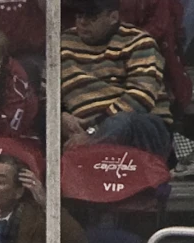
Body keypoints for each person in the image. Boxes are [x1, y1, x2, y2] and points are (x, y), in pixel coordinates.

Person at [59, 0, 173, 160]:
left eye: (92, 17)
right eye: (79, 15)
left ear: (113, 17)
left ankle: (86, 157)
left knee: (122, 122)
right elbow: (46, 93)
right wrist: (60, 115)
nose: (83, 22)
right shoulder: (63, 43)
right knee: (46, 122)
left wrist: (94, 131)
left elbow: (141, 97)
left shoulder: (138, 41)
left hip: (142, 126)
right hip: (82, 126)